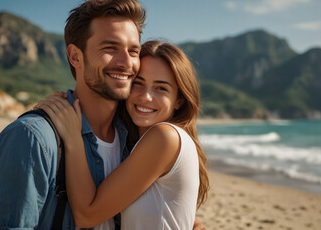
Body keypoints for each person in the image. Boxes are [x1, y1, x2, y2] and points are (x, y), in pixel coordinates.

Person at [0, 0, 206, 230]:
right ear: (75, 56)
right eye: (110, 47)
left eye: (133, 51)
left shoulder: (132, 138)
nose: (125, 63)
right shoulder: (33, 138)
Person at [35, 40, 209, 229]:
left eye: (161, 88)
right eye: (138, 83)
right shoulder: (137, 142)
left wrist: (73, 138)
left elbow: (86, 215)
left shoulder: (164, 137)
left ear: (179, 101)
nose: (145, 96)